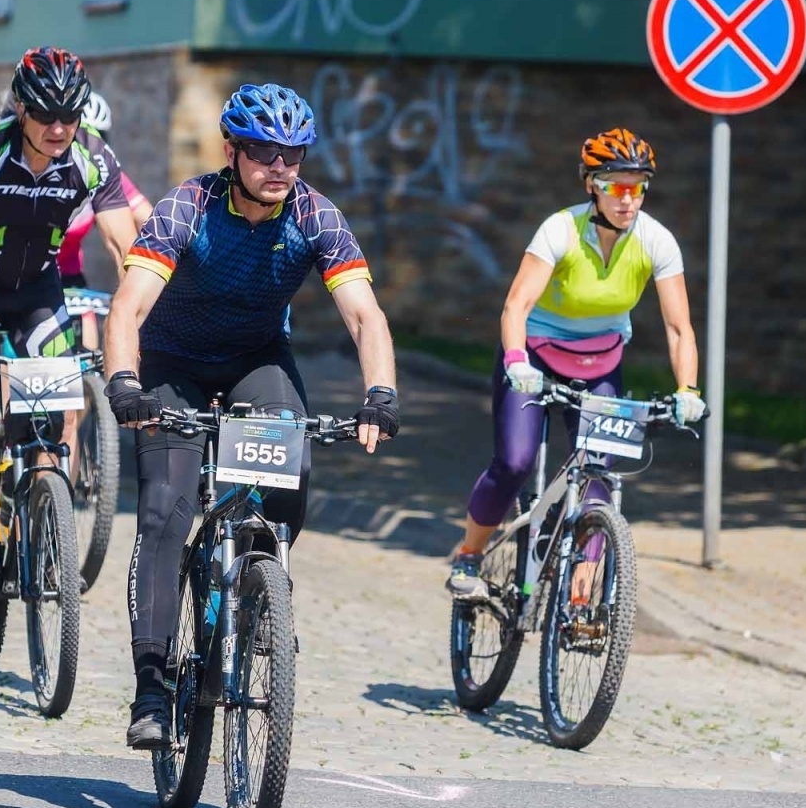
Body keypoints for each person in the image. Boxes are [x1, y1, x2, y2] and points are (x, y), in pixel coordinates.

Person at [103, 82, 400, 749]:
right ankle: (152, 687)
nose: (279, 167)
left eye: (292, 154)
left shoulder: (316, 217)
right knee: (164, 513)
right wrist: (124, 383)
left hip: (255, 361)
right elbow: (129, 307)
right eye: (264, 151)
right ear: (232, 151)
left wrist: (380, 393)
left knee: (292, 470)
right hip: (171, 365)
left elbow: (363, 315)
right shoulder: (189, 205)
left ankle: (259, 593)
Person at [444, 127, 705, 602]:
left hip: (601, 364)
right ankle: (469, 554)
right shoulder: (560, 229)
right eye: (615, 186)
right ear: (592, 185)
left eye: (638, 187)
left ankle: (581, 598)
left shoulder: (657, 241)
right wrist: (517, 360)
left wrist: (688, 389)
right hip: (535, 358)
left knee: (599, 472)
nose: (628, 199)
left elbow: (678, 328)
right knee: (515, 462)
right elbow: (516, 306)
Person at [0, 47, 139, 591]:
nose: (59, 127)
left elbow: (126, 245)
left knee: (60, 420)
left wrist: (140, 327)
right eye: (46, 115)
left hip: (36, 293)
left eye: (71, 115)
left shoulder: (91, 156)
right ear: (21, 108)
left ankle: (41, 525)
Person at [57, 92, 153, 292]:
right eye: (80, 139)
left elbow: (150, 221)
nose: (89, 149)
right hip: (20, 277)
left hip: (69, 275)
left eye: (97, 140)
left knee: (88, 322)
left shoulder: (104, 172)